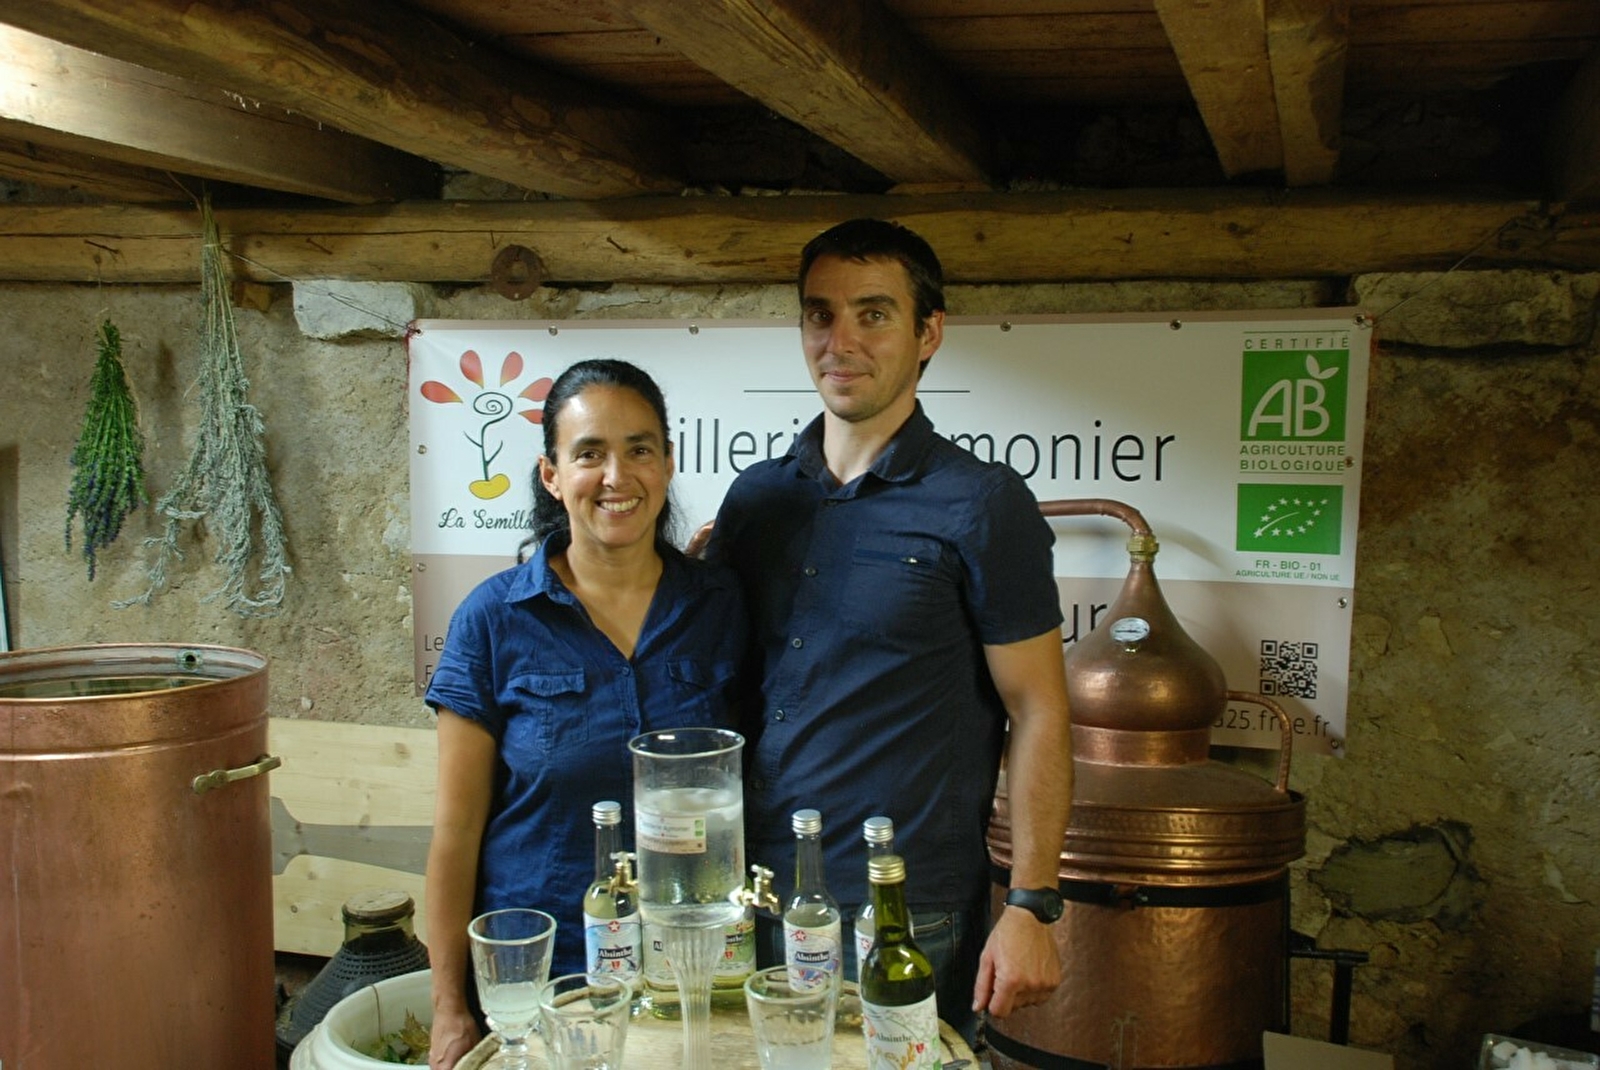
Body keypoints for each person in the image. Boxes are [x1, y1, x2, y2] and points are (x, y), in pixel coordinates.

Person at [706, 218, 1073, 1039]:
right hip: (749, 894)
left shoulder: (982, 504)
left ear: (928, 333)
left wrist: (1032, 903)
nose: (840, 342)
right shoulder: (757, 499)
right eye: (820, 314)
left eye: (873, 314)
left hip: (897, 909)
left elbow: (1040, 708)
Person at [423, 359, 747, 1070]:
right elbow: (455, 833)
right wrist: (449, 1006)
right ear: (551, 475)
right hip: (541, 983)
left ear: (667, 463)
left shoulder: (722, 607)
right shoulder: (493, 619)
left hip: (692, 977)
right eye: (589, 453)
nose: (615, 476)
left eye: (639, 450)